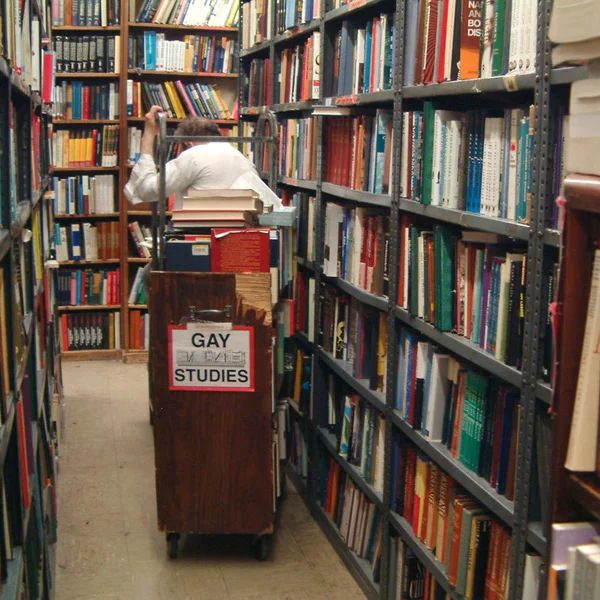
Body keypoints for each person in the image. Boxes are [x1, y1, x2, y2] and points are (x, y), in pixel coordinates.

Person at [124, 105, 282, 209]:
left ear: (189, 143)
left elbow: (146, 190)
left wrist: (149, 133)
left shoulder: (193, 156)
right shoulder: (239, 156)